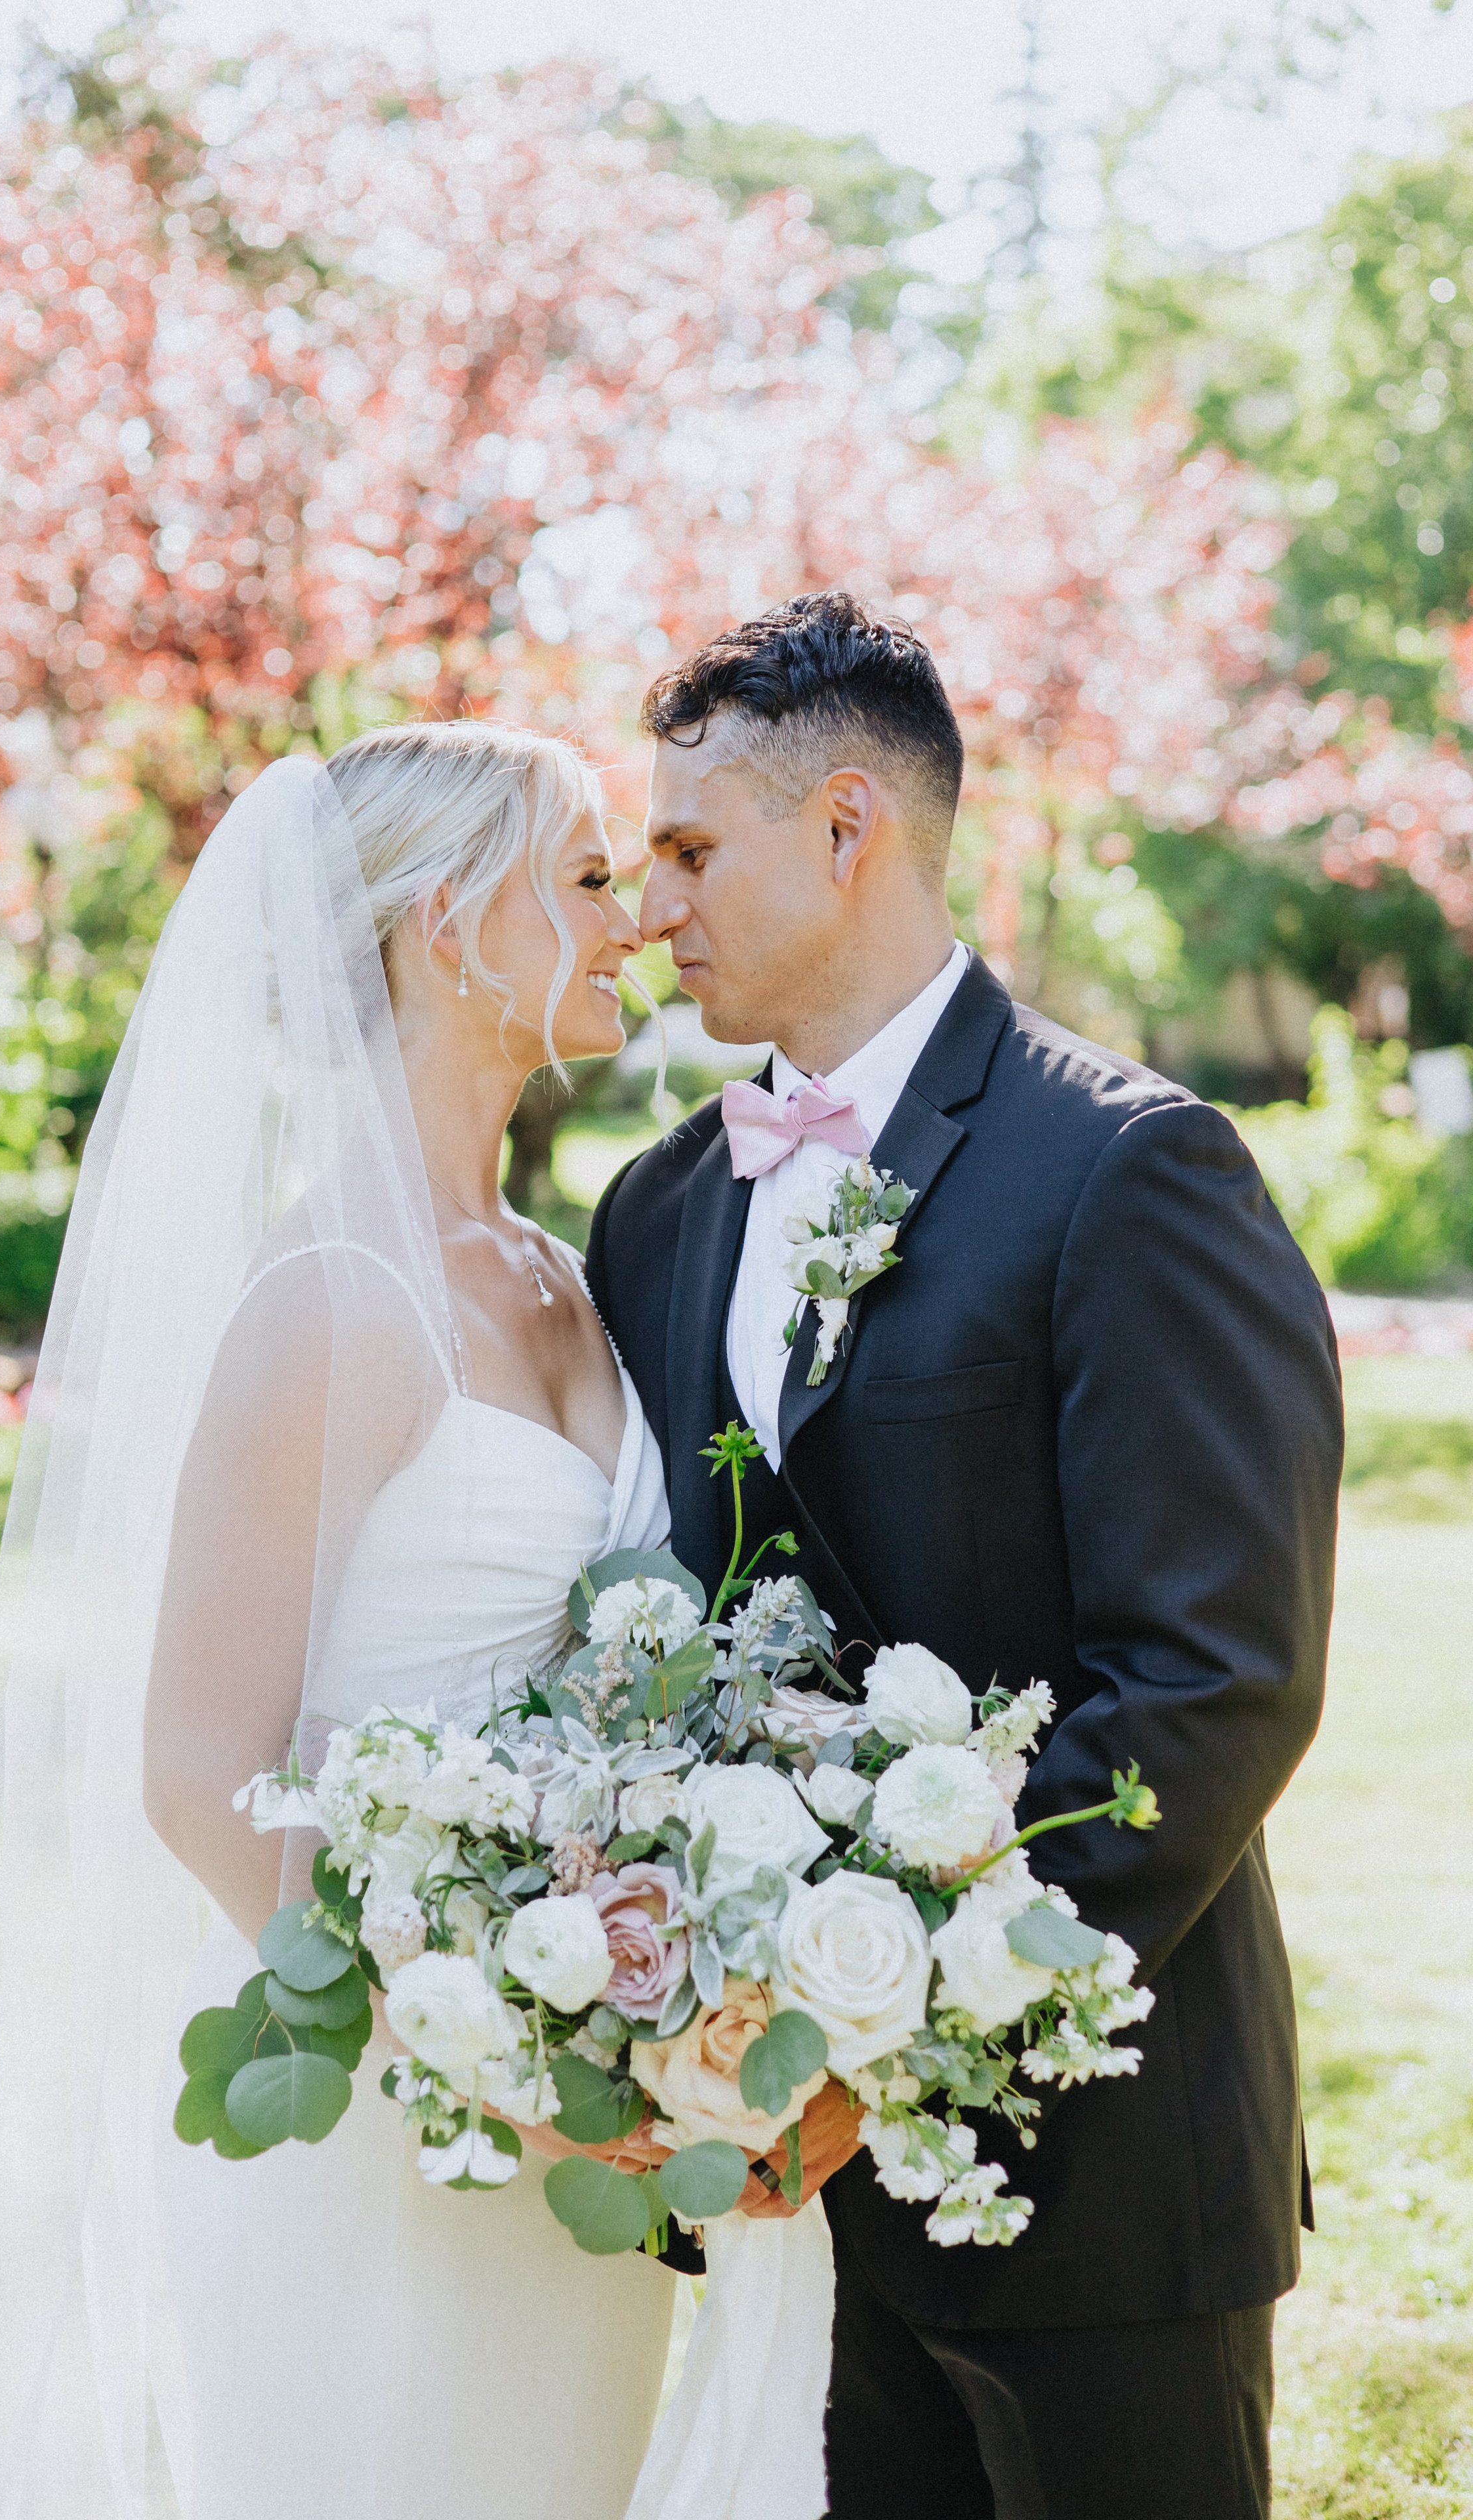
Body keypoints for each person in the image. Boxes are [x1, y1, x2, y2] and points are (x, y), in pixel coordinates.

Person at [587, 590, 1345, 2520]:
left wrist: (889, 2036)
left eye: (690, 848)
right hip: (783, 2190)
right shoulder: (661, 1212)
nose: (651, 905)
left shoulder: (1130, 1168)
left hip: (1102, 2160)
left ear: (850, 829)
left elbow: (1212, 1683)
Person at [0, 724, 679, 2520]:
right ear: (447, 927)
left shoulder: (562, 1268)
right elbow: (200, 1772)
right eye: (584, 876)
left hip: (588, 2085)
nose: (635, 916)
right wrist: (482, 2050)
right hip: (382, 2109)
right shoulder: (338, 1295)